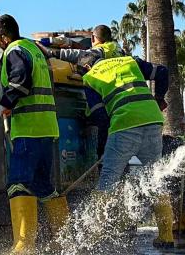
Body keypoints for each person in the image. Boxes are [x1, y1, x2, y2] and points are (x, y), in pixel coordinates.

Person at [74, 50, 177, 248]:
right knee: (155, 180)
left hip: (124, 125)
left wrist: (104, 147)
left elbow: (100, 116)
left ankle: (93, 239)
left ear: (86, 67)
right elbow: (162, 71)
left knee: (107, 181)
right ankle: (166, 236)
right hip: (153, 120)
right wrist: (158, 98)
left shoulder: (90, 77)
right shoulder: (129, 61)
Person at [0, 15, 70, 253]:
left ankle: (24, 246)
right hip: (47, 128)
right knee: (43, 185)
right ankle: (66, 239)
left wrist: (4, 105)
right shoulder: (34, 50)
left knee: (19, 183)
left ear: (4, 37)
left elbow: (20, 82)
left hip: (29, 129)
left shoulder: (14, 50)